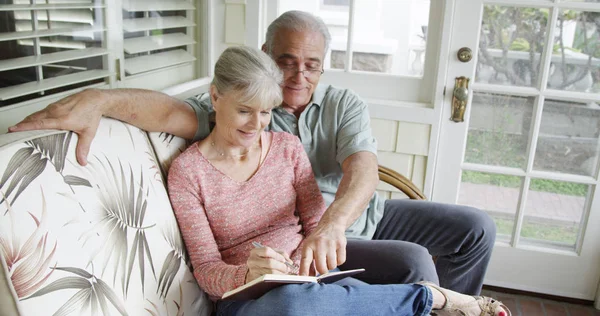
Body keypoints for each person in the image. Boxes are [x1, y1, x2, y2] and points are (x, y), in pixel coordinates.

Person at [9, 11, 496, 296]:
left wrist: (331, 224)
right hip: (305, 244)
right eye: (287, 62)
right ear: (266, 56)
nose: (299, 75)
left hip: (353, 220)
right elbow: (166, 111)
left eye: (312, 65)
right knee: (411, 263)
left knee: (474, 229)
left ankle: (448, 303)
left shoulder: (343, 103)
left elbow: (364, 169)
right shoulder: (241, 111)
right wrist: (100, 99)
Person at [167, 45, 509, 316]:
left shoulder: (286, 147)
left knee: (396, 267)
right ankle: (428, 299)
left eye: (267, 111)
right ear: (215, 97)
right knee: (291, 307)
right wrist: (247, 274)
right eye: (245, 110)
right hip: (248, 300)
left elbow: (317, 223)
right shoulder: (188, 172)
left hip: (308, 277)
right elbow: (207, 269)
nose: (257, 125)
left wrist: (301, 262)